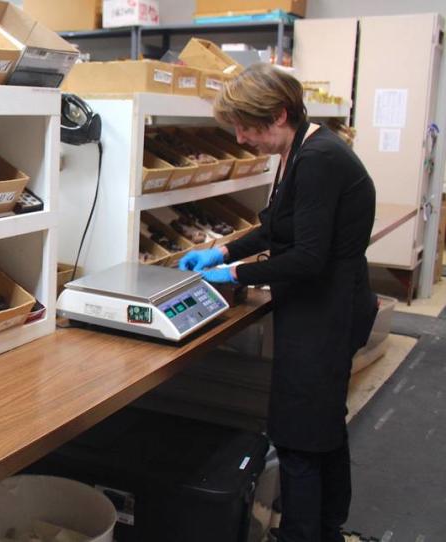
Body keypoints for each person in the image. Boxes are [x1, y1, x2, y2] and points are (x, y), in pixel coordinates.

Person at [179, 64, 378, 542]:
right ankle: (327, 528)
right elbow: (277, 229)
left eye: (247, 127)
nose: (243, 138)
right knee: (323, 424)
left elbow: (308, 257)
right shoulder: (299, 150)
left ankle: (303, 534)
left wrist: (232, 274)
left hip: (327, 308)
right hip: (317, 303)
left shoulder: (319, 159)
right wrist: (224, 250)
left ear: (280, 114)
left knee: (299, 438)